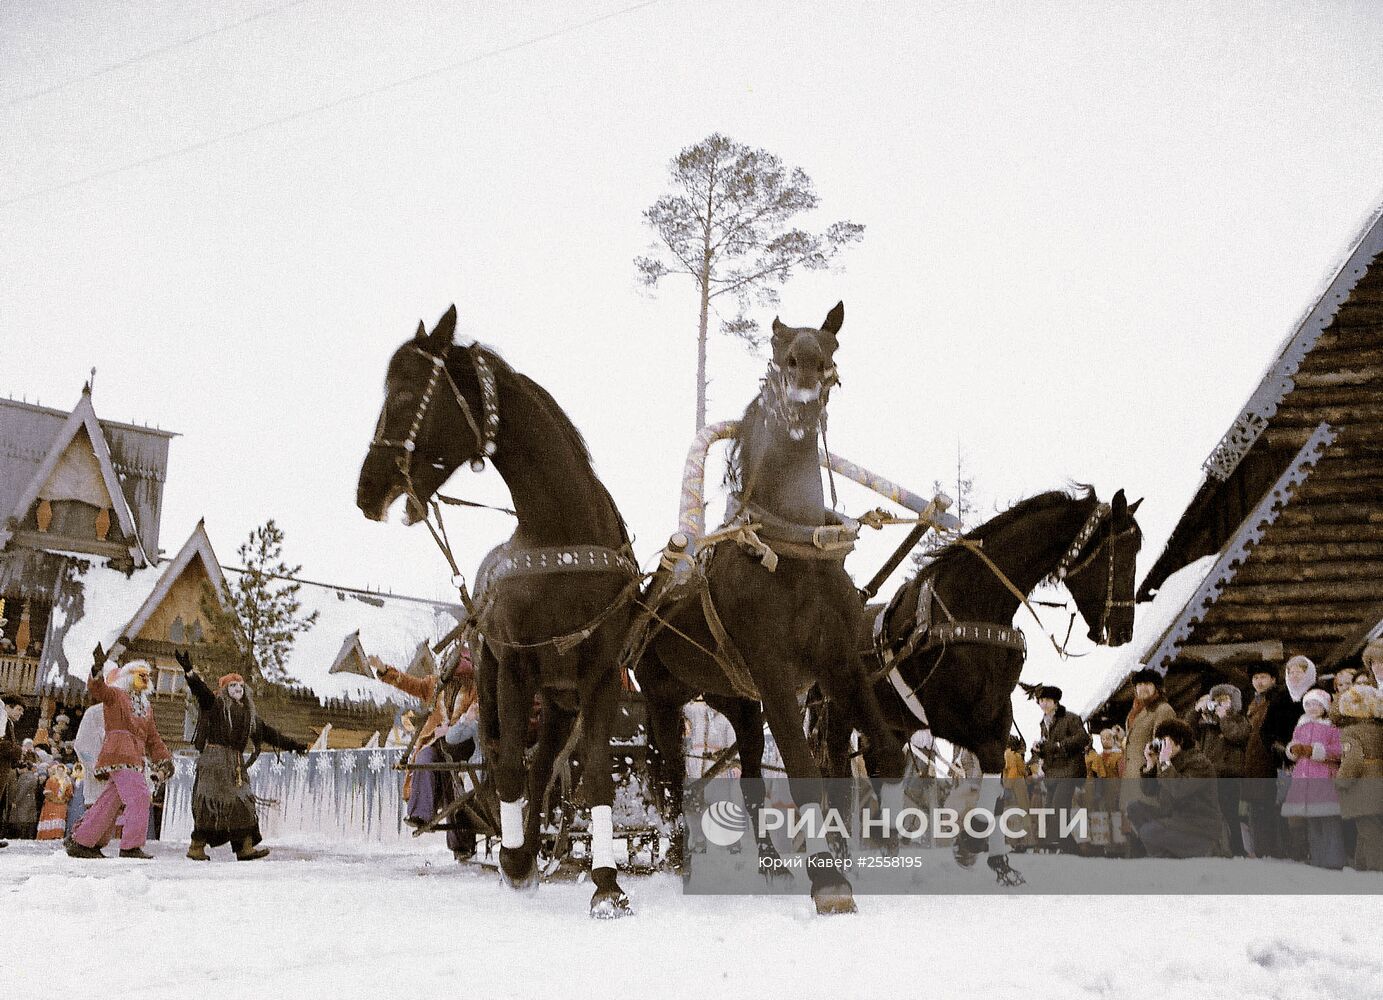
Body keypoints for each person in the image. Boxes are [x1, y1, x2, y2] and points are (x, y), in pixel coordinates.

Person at [176, 650, 308, 862]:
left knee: (243, 803)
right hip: (215, 762)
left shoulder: (249, 716)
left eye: (240, 686)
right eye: (232, 686)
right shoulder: (217, 705)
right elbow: (201, 692)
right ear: (225, 690)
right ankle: (196, 846)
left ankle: (244, 848)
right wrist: (189, 672)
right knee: (211, 804)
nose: (237, 689)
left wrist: (295, 746)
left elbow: (270, 734)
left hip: (234, 765)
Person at [66, 649, 173, 860]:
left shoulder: (146, 707)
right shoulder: (117, 695)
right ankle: (130, 846)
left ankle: (82, 841)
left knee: (110, 802)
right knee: (140, 795)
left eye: (147, 675)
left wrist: (164, 760)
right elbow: (99, 690)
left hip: (134, 757)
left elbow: (153, 738)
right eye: (139, 673)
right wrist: (97, 669)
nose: (144, 677)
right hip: (119, 753)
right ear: (127, 676)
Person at [1127, 718, 1222, 857]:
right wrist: (1150, 765)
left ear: (1180, 741)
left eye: (1165, 742)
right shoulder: (1168, 762)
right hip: (1174, 818)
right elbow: (1149, 791)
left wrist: (1165, 763)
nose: (1162, 747)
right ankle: (1166, 855)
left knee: (1148, 832)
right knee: (1134, 808)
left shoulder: (1199, 763)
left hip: (1198, 826)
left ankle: (1172, 858)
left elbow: (1179, 790)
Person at [1281, 687, 1344, 870]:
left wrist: (1315, 751)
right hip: (1303, 778)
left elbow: (1339, 751)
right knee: (1312, 822)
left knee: (1329, 821)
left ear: (1325, 706)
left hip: (1324, 777)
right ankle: (1318, 858)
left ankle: (1333, 859)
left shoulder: (1332, 727)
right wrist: (1292, 750)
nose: (1312, 708)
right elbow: (1294, 745)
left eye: (1317, 704)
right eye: (1308, 704)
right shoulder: (1301, 725)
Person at [1185, 683, 1250, 856]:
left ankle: (1237, 849)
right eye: (1217, 700)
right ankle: (1216, 848)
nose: (1220, 704)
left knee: (1231, 814)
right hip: (1210, 774)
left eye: (1225, 700)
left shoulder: (1239, 720)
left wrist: (1224, 719)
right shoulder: (1207, 723)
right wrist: (1196, 711)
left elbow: (1236, 735)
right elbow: (1188, 732)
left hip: (1230, 775)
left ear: (1234, 702)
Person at [1119, 668, 1176, 852]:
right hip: (1133, 774)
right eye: (1139, 684)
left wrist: (1157, 777)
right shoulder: (1138, 710)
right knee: (1134, 823)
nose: (1142, 688)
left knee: (1146, 820)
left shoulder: (1162, 709)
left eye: (1147, 684)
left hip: (1148, 777)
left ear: (1157, 687)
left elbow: (1162, 745)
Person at [1032, 685, 1090, 852]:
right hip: (1053, 773)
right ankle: (1069, 849)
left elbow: (1082, 737)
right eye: (1041, 701)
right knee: (1051, 813)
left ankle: (1071, 850)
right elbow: (1048, 748)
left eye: (1047, 700)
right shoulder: (1043, 723)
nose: (1043, 704)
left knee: (1058, 810)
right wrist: (1039, 749)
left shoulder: (1070, 718)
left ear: (1055, 702)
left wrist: (1059, 745)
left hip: (1069, 771)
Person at [1335, 684, 1383, 871]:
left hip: (1362, 786)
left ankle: (1376, 868)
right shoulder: (1379, 729)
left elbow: (1353, 759)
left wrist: (1342, 780)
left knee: (1368, 829)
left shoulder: (1350, 732)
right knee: (1369, 827)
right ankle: (1361, 865)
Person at [1243, 664, 1289, 858]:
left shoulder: (1277, 701)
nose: (1259, 682)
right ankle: (1262, 850)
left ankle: (1274, 850)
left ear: (1273, 679)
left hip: (1269, 761)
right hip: (1254, 762)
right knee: (1257, 807)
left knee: (1270, 807)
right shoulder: (1253, 702)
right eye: (1255, 678)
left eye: (1263, 677)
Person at [0, 695, 24, 849]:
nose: (21, 713)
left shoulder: (8, 723)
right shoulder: (2, 721)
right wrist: (17, 749)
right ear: (7, 707)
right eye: (19, 709)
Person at [37, 763, 73, 841]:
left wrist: (64, 799)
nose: (60, 772)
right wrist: (55, 799)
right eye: (58, 770)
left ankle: (57, 835)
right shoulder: (51, 779)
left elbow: (69, 793)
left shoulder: (67, 780)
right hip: (51, 803)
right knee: (49, 820)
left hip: (61, 804)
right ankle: (46, 836)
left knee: (58, 820)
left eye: (62, 770)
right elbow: (47, 792)